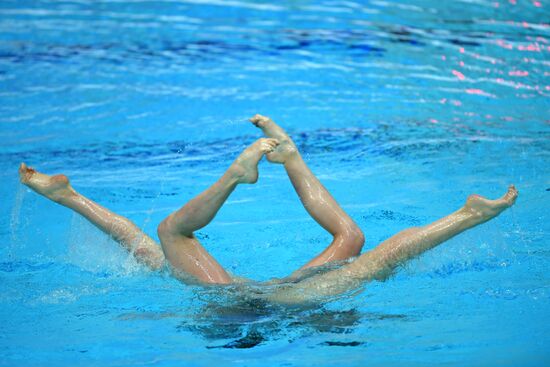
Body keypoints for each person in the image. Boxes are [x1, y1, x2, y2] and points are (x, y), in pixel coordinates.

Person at [18, 114, 518, 304]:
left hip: (247, 309)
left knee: (166, 238)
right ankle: (290, 155)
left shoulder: (223, 305)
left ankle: (240, 174)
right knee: (357, 246)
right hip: (272, 303)